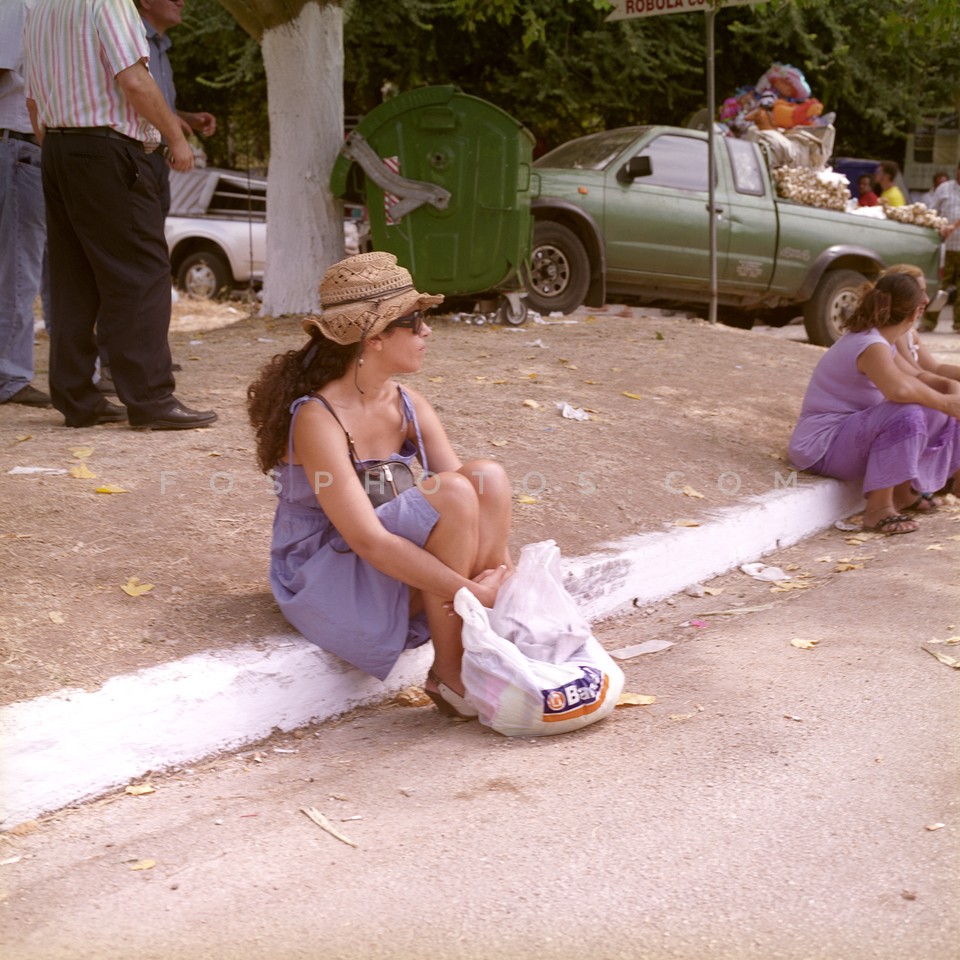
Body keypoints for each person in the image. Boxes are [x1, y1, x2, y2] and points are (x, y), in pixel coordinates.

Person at [247, 252, 514, 717]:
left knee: (484, 477)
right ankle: (448, 674)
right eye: (415, 321)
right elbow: (367, 539)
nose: (427, 332)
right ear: (374, 338)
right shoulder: (317, 417)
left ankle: (489, 645)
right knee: (452, 493)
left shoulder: (406, 403)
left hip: (381, 564)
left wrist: (504, 576)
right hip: (325, 575)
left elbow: (476, 501)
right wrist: (471, 591)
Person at [23, 0, 217, 430]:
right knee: (142, 271)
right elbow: (134, 79)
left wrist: (60, 147)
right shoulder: (108, 2)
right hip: (106, 147)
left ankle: (76, 397)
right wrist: (175, 138)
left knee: (73, 275)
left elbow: (32, 100)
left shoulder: (40, 9)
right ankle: (150, 398)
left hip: (58, 147)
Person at [95, 0, 218, 395]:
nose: (182, 1)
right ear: (146, 2)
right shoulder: (126, 32)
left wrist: (184, 119)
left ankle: (144, 353)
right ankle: (116, 361)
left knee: (151, 260)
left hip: (155, 160)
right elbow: (131, 92)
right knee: (130, 260)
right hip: (132, 155)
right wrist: (176, 135)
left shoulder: (161, 46)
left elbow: (155, 103)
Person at [788, 271, 960, 535]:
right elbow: (898, 389)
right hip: (821, 446)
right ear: (916, 312)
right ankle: (878, 509)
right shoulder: (870, 344)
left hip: (848, 439)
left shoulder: (880, 341)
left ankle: (904, 492)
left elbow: (918, 377)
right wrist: (947, 403)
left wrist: (952, 389)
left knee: (931, 409)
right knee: (908, 411)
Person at [0, 0, 50, 409]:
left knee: (23, 266)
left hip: (29, 147)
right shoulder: (17, 3)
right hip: (17, 144)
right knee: (18, 268)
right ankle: (8, 376)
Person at [929, 161, 960, 333]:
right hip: (945, 248)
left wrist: (954, 226)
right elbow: (932, 213)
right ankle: (928, 321)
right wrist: (940, 226)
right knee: (940, 286)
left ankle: (959, 324)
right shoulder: (944, 189)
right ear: (957, 170)